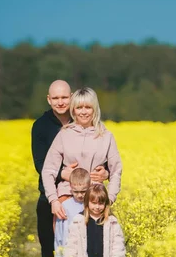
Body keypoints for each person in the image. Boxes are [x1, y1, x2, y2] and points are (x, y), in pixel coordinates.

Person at [31, 80, 108, 257]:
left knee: (88, 248)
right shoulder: (41, 126)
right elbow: (41, 164)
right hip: (50, 197)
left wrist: (106, 173)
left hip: (84, 196)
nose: (60, 102)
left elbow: (99, 155)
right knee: (51, 250)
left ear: (71, 97)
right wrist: (64, 174)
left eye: (64, 97)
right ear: (49, 100)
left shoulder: (83, 118)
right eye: (56, 98)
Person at [42, 87, 122, 222]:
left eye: (88, 107)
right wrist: (54, 200)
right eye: (79, 108)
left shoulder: (106, 136)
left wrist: (110, 198)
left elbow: (116, 171)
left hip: (96, 199)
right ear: (73, 110)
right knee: (66, 241)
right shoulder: (64, 134)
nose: (83, 112)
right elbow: (48, 170)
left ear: (95, 109)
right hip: (67, 194)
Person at [54, 167, 91, 257]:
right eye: (76, 191)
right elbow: (59, 234)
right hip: (69, 254)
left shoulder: (92, 205)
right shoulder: (65, 206)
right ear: (70, 187)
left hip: (88, 254)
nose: (80, 195)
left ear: (89, 186)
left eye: (83, 191)